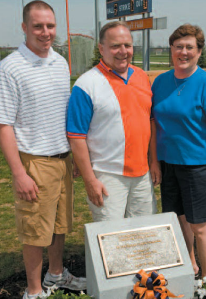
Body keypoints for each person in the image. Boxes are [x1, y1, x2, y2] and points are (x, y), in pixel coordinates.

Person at [0, 1, 86, 298]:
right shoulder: (10, 67)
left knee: (59, 224)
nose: (45, 32)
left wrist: (72, 155)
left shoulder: (60, 62)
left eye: (50, 26)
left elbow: (62, 115)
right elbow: (4, 125)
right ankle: (34, 291)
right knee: (36, 231)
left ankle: (56, 275)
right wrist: (19, 173)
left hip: (61, 158)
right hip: (34, 162)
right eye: (38, 26)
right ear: (24, 28)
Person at [150, 24, 206, 279]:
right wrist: (155, 162)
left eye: (189, 47)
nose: (183, 52)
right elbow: (154, 123)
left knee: (200, 225)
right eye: (178, 46)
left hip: (198, 166)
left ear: (199, 51)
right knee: (178, 219)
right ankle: (190, 266)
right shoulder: (161, 82)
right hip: (168, 164)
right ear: (171, 49)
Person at [66, 21, 158, 222]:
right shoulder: (86, 84)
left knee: (144, 235)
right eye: (115, 46)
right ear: (101, 48)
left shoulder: (142, 77)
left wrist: (154, 161)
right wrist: (90, 180)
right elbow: (76, 137)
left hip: (142, 175)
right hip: (107, 175)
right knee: (110, 239)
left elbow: (150, 123)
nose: (122, 51)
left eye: (127, 45)